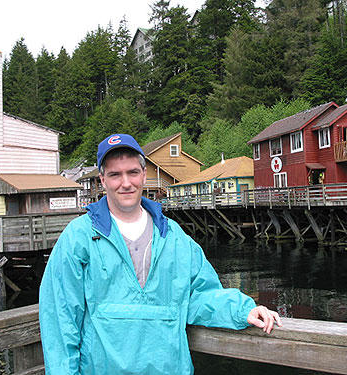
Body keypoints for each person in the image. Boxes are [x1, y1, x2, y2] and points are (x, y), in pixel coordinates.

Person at [39, 134, 282, 374]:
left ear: (144, 174)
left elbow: (201, 294)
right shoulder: (77, 238)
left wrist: (243, 310)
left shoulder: (174, 237)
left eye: (133, 172)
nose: (126, 183)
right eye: (115, 174)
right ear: (102, 179)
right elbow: (60, 318)